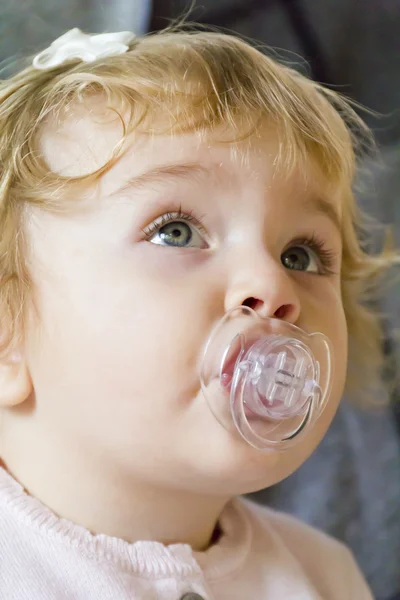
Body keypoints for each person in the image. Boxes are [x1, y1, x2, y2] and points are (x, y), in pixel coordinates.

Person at [0, 25, 397, 600]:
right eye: (176, 232)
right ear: (7, 332)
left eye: (301, 253)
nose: (272, 282)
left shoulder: (324, 577)